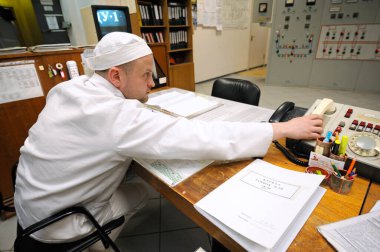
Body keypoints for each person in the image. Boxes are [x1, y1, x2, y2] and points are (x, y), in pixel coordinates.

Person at [14, 32, 323, 251]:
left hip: (30, 211)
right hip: (60, 227)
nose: (153, 83)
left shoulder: (73, 88)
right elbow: (200, 137)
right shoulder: (115, 116)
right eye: (146, 75)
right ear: (115, 76)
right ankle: (96, 244)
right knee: (143, 188)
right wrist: (281, 130)